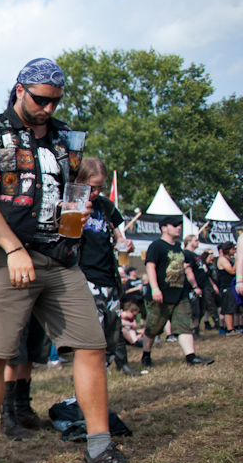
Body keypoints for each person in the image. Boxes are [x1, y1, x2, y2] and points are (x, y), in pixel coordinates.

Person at [0, 57, 150, 463]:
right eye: (41, 100)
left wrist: (80, 207)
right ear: (19, 89)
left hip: (63, 256)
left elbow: (73, 189)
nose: (48, 109)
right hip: (8, 254)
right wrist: (13, 248)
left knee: (91, 345)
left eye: (55, 102)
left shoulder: (68, 138)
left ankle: (100, 447)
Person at [74, 158, 137, 375]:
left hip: (109, 278)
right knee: (92, 337)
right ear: (79, 181)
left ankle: (105, 371)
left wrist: (126, 246)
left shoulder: (106, 206)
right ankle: (85, 380)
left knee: (113, 329)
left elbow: (120, 238)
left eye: (100, 188)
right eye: (91, 187)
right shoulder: (71, 204)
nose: (95, 193)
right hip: (84, 278)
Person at [140, 217, 213, 366]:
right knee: (153, 328)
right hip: (160, 294)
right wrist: (155, 288)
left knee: (184, 324)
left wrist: (193, 285)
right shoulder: (156, 245)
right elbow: (150, 266)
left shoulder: (178, 246)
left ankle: (191, 357)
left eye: (179, 225)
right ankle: (146, 356)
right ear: (164, 228)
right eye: (174, 225)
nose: (178, 228)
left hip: (180, 294)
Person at [216, 241, 239, 333]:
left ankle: (232, 328)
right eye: (233, 249)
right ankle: (230, 329)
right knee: (229, 308)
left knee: (233, 308)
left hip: (231, 286)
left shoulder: (228, 259)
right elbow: (232, 271)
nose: (235, 251)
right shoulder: (222, 259)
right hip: (226, 286)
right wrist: (238, 259)